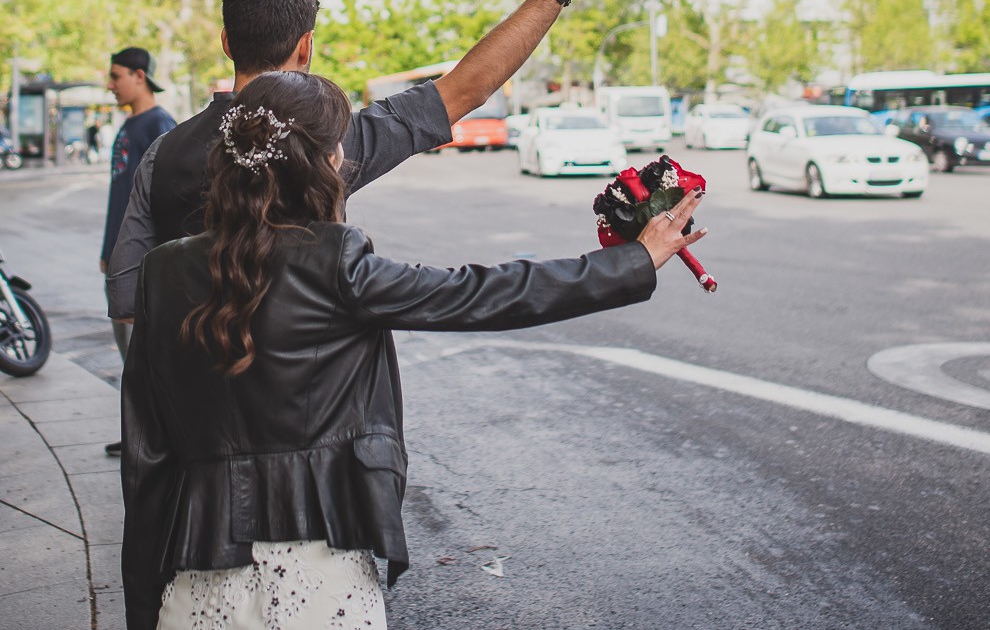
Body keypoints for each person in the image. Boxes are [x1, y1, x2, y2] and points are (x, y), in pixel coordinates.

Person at [121, 70, 704, 629]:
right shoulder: (334, 261)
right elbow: (485, 293)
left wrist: (142, 609)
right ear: (325, 164)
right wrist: (634, 260)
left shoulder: (161, 273)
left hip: (195, 582)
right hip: (316, 577)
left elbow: (146, 463)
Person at [106, 0, 619, 324]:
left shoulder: (161, 154)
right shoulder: (324, 142)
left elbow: (127, 300)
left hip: (193, 405)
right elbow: (468, 87)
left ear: (226, 42)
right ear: (305, 46)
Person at [101, 48, 179, 455]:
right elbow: (120, 196)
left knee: (147, 352)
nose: (110, 85)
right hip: (123, 253)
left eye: (116, 77)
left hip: (146, 260)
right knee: (130, 351)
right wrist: (109, 247)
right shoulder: (132, 123)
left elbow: (168, 197)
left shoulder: (159, 124)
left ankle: (156, 437)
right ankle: (141, 432)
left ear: (139, 76)